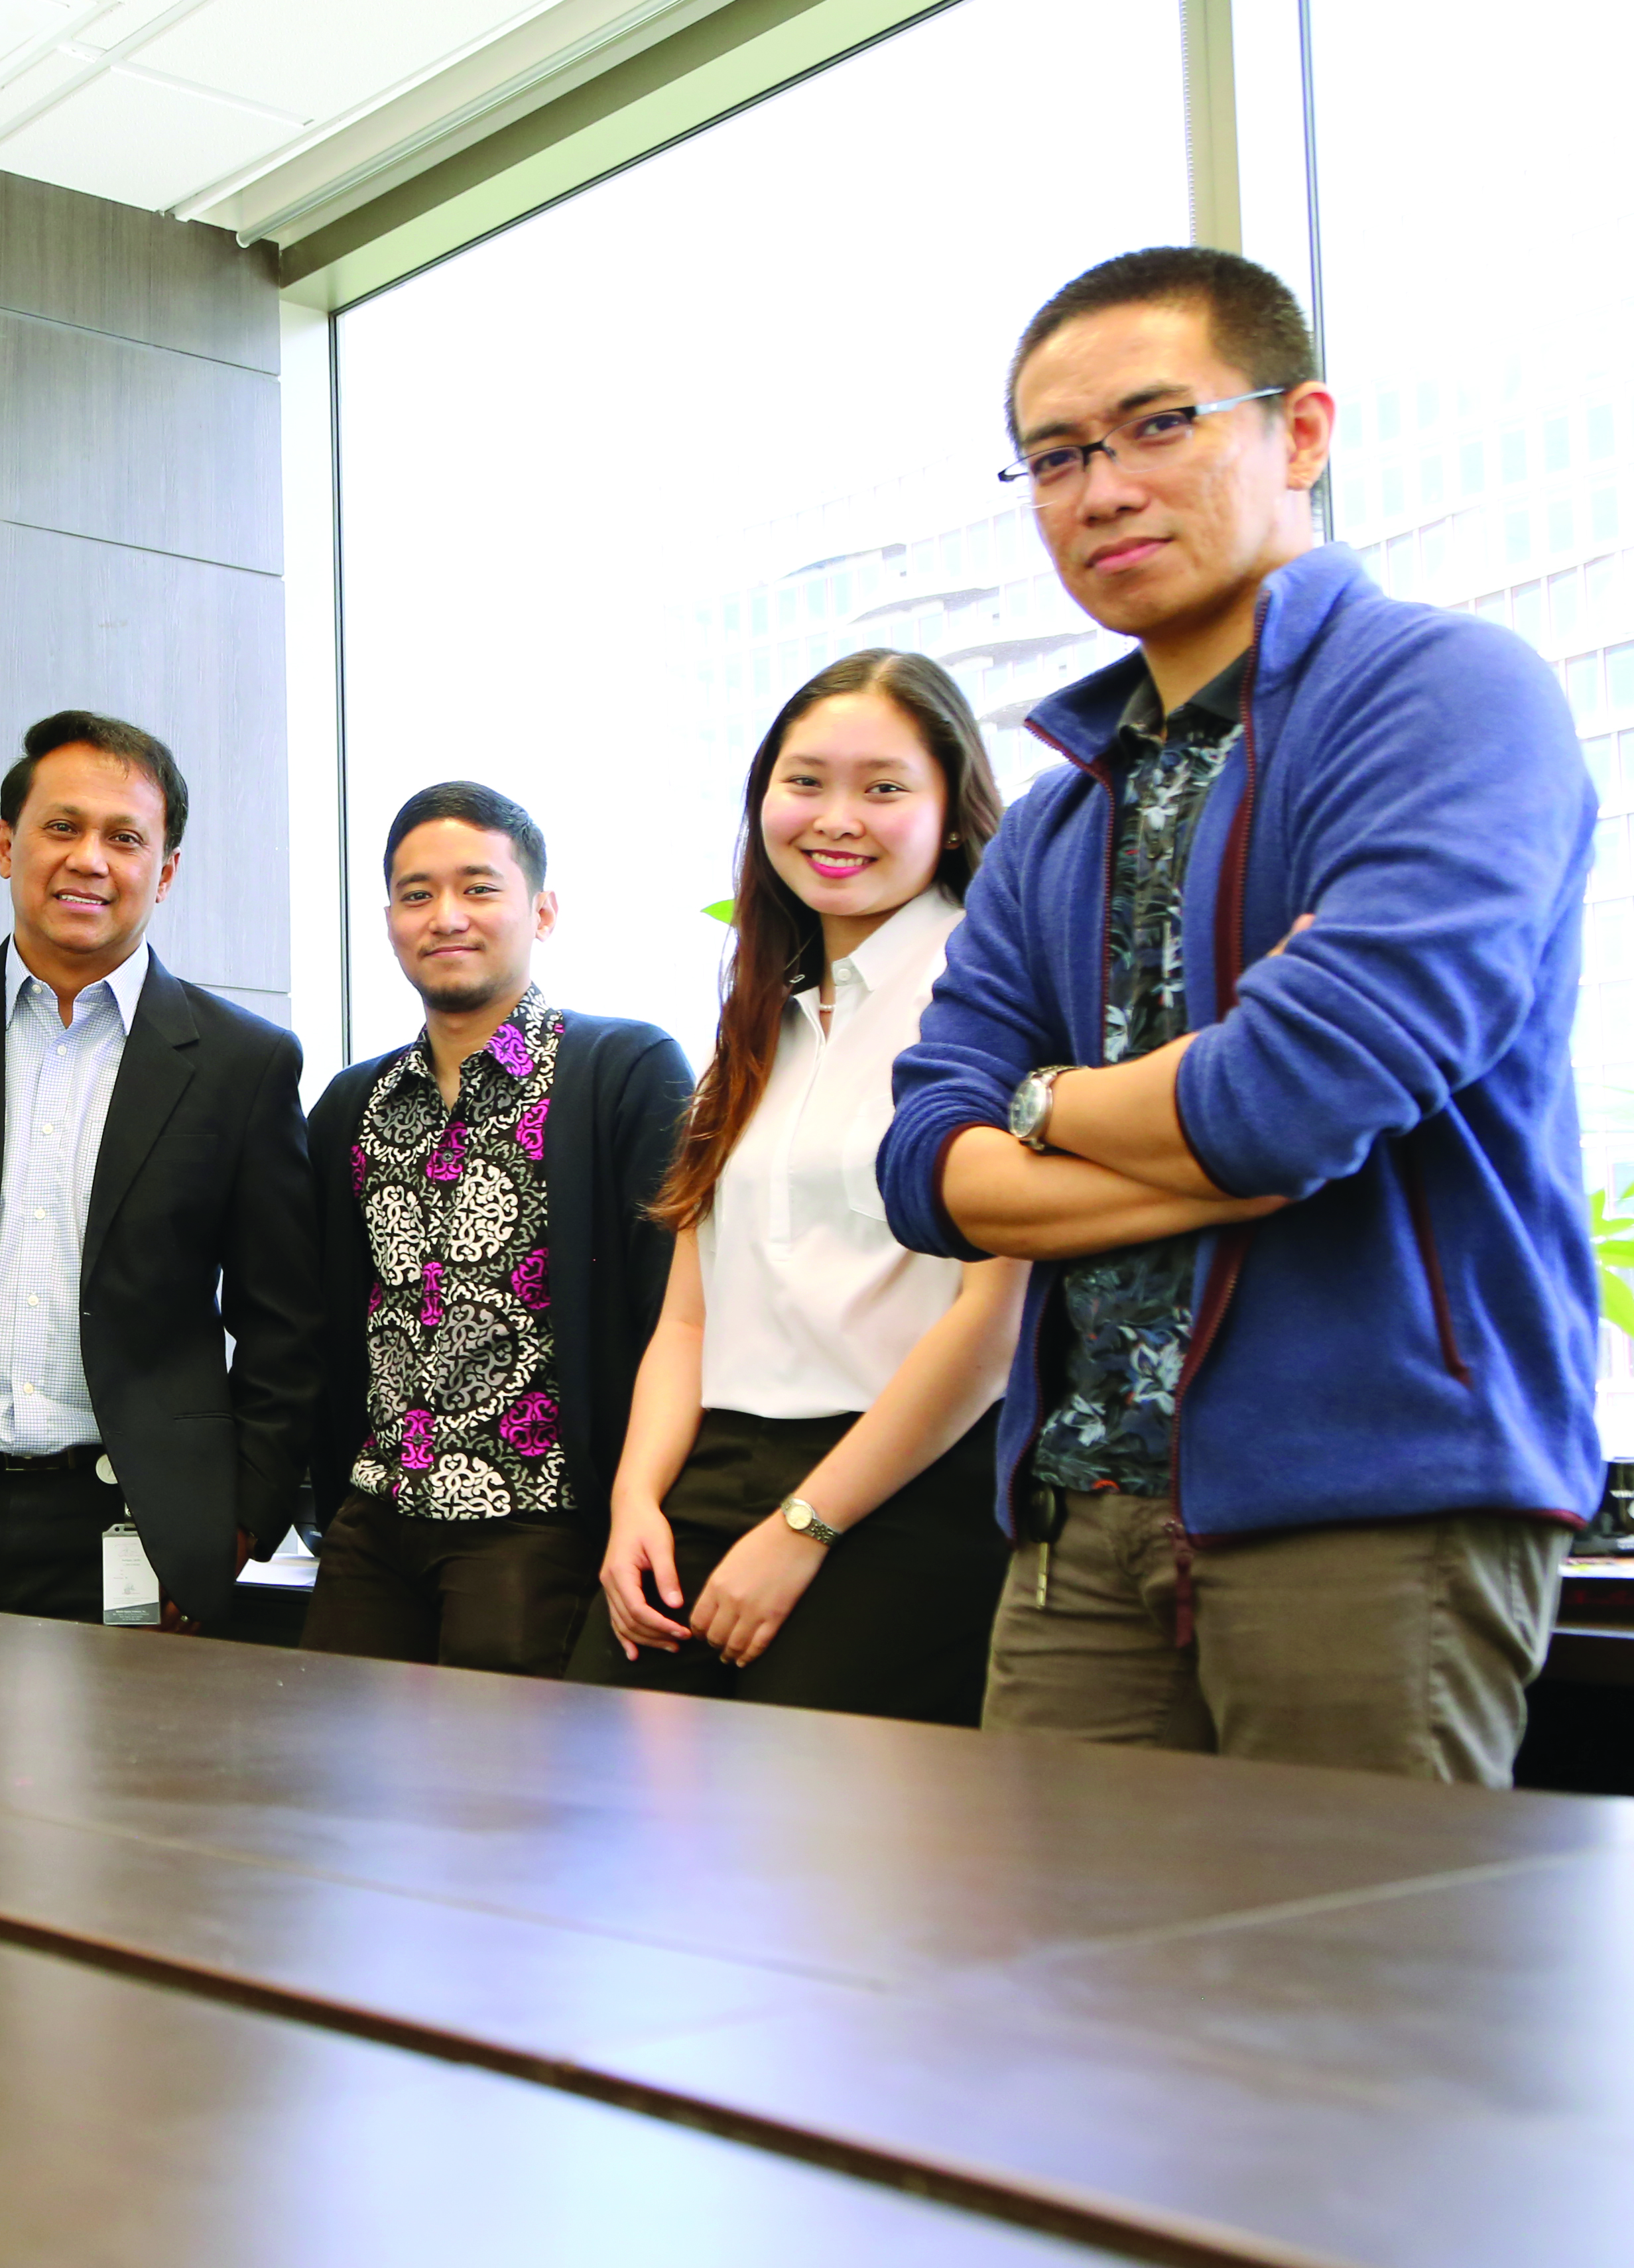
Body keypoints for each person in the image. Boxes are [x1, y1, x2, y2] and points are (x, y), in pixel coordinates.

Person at [879, 245, 1599, 1785]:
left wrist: (1050, 1104)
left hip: (1372, 1495)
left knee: (1349, 2008)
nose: (1104, 488)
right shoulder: (1067, 806)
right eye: (1058, 457)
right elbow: (925, 1159)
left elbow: (1296, 1093)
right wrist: (1097, 1119)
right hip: (1078, 1510)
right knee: (1054, 2007)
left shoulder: (1448, 696)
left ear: (1304, 432)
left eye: (1159, 426)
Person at [0, 711, 320, 1630]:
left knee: (123, 1780)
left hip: (139, 1529)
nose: (90, 860)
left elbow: (284, 1326)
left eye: (126, 838)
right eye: (61, 827)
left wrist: (237, 1516)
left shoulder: (244, 1064)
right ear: (7, 845)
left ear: (167, 870)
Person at [573, 654, 1025, 1719]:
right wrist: (637, 1500)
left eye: (883, 788)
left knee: (819, 1855)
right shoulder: (760, 1015)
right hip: (710, 1469)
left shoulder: (987, 994)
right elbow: (688, 1316)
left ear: (953, 815)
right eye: (805, 781)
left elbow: (994, 1317)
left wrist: (805, 1526)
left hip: (904, 1487)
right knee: (599, 1808)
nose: (836, 819)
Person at [304, 783, 690, 1674]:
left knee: (500, 1803)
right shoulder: (351, 1105)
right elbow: (326, 1316)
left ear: (542, 910)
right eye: (416, 893)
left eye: (479, 888)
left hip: (537, 1523)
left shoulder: (622, 1072)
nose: (447, 917)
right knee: (333, 1788)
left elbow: (666, 1307)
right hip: (375, 1516)